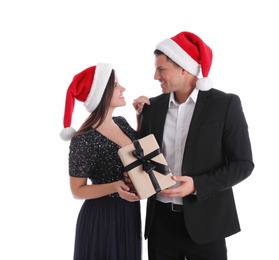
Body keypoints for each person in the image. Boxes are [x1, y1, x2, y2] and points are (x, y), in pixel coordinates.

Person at [133, 31, 255, 260]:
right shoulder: (153, 107)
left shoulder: (225, 104)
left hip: (207, 223)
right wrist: (140, 121)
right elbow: (143, 160)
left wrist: (197, 185)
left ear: (183, 68)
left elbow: (243, 164)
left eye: (161, 69)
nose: (155, 76)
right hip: (160, 224)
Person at [60, 63, 142, 260]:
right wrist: (114, 187)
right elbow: (77, 190)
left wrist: (140, 117)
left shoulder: (121, 122)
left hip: (128, 213)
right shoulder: (83, 138)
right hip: (103, 218)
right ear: (102, 93)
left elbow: (137, 154)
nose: (122, 89)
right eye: (116, 85)